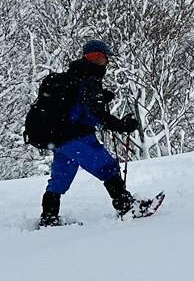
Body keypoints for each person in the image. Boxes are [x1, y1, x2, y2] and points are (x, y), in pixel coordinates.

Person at [36, 39, 153, 227]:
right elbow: (94, 113)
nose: (106, 63)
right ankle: (127, 207)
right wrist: (121, 125)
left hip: (59, 139)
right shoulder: (89, 79)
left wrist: (99, 98)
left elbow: (78, 104)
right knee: (107, 167)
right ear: (96, 57)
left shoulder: (73, 76)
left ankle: (48, 218)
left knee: (60, 179)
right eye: (104, 59)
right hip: (77, 137)